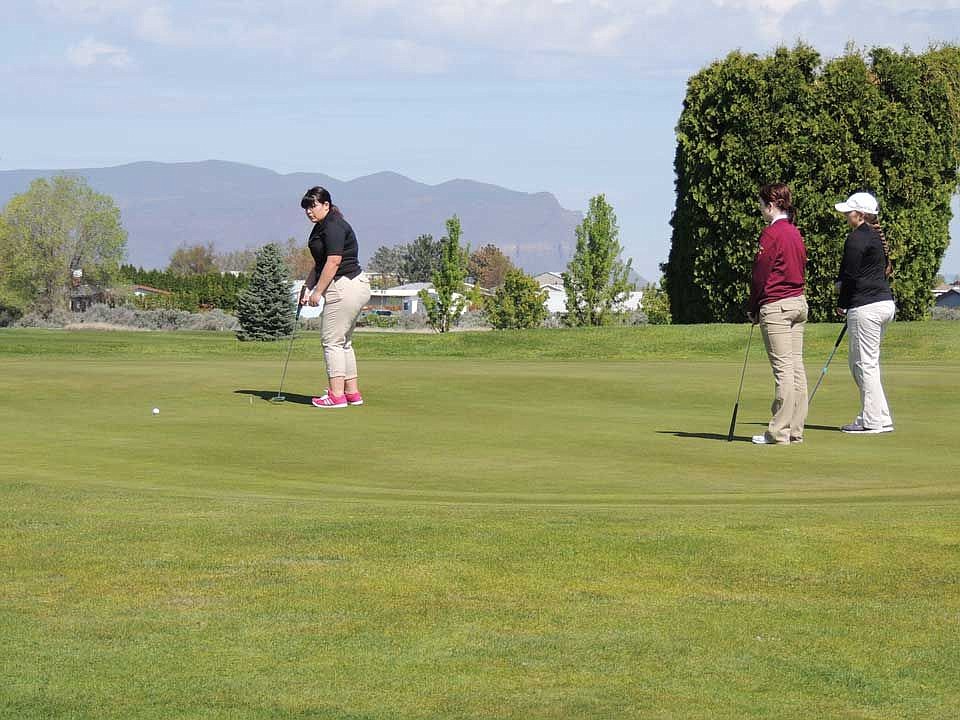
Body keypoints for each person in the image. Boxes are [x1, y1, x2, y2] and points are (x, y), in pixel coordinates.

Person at [747, 183, 808, 445]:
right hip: (798, 303)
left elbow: (761, 273)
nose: (760, 209)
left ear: (771, 206)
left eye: (762, 205)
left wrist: (752, 306)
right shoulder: (795, 232)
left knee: (784, 370)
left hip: (778, 306)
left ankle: (778, 432)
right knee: (796, 369)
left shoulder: (771, 234)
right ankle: (794, 429)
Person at [300, 186, 372, 408]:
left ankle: (336, 395)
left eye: (313, 206)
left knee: (331, 341)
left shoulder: (332, 226)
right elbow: (320, 264)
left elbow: (333, 262)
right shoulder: (323, 226)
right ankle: (351, 393)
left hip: (344, 286)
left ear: (326, 205)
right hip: (352, 286)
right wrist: (307, 286)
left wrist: (317, 292)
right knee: (344, 342)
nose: (309, 211)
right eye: (306, 208)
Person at [833, 192, 896, 434]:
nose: (846, 215)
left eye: (849, 212)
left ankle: (871, 420)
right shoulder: (875, 236)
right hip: (882, 304)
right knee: (864, 363)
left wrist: (842, 301)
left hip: (866, 307)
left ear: (860, 214)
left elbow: (849, 274)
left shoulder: (857, 237)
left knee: (864, 364)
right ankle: (880, 415)